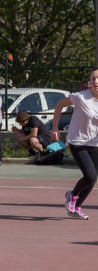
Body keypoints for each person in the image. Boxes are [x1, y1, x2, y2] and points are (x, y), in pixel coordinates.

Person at [51, 66, 98, 220]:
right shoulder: (80, 97)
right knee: (90, 176)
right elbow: (59, 106)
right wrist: (55, 128)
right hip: (78, 141)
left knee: (93, 179)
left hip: (94, 143)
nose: (96, 81)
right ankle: (72, 195)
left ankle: (76, 208)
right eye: (93, 79)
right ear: (89, 82)